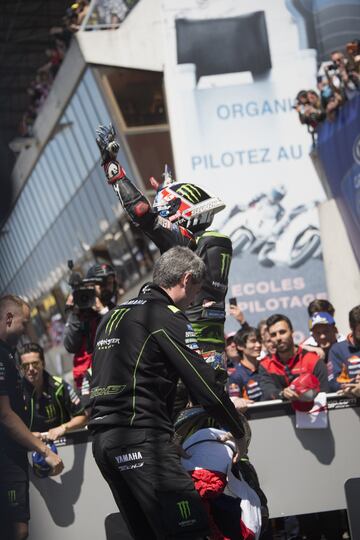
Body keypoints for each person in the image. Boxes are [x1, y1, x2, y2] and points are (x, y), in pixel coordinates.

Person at [89, 247, 246, 540]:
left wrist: (167, 433)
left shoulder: (113, 315)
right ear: (187, 279)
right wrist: (238, 431)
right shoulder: (165, 315)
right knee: (191, 531)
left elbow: (139, 381)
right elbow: (205, 385)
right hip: (141, 441)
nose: (193, 300)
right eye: (196, 290)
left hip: (104, 446)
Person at [95, 125, 232, 384]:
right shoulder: (213, 242)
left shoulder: (185, 245)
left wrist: (112, 170)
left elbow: (141, 212)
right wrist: (166, 192)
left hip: (186, 352)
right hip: (212, 352)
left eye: (166, 210)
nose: (164, 216)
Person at [0, 295, 63, 540]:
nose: (26, 330)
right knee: (17, 530)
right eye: (24, 323)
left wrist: (30, 436)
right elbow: (5, 415)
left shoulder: (8, 353)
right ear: (8, 318)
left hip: (13, 452)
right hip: (5, 459)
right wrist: (45, 452)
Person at [63, 262, 117, 389]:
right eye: (101, 284)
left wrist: (103, 312)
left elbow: (119, 335)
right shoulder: (79, 312)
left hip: (112, 373)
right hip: (87, 383)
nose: (106, 288)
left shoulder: (113, 311)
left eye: (109, 283)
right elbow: (70, 346)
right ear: (90, 286)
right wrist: (75, 314)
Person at [19, 342, 87, 441]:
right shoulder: (18, 392)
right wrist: (28, 435)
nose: (31, 369)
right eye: (25, 366)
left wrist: (64, 427)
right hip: (31, 447)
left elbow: (82, 417)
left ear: (43, 364)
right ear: (21, 368)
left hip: (63, 444)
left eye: (35, 364)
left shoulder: (59, 386)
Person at [258, 313, 329, 402]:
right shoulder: (265, 365)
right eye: (273, 335)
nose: (278, 337)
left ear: (292, 331)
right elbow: (268, 392)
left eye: (282, 332)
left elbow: (325, 393)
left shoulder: (313, 360)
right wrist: (282, 394)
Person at [327, 304, 360, 392]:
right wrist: (354, 383)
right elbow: (333, 382)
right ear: (351, 326)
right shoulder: (338, 350)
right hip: (351, 404)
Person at [228, 327, 263, 403]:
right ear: (240, 346)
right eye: (253, 341)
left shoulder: (266, 367)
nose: (258, 345)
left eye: (260, 341)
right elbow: (234, 401)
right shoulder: (236, 375)